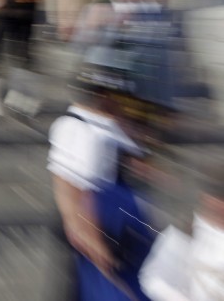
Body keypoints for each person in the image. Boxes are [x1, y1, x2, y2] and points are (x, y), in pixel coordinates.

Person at [48, 57, 156, 301]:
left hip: (114, 224)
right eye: (121, 98)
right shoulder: (79, 131)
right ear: (105, 96)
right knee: (86, 288)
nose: (125, 105)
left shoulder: (106, 126)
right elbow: (68, 187)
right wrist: (88, 236)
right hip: (95, 226)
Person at [140, 165, 224, 300]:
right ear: (206, 198)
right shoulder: (184, 233)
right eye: (218, 198)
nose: (220, 205)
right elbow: (153, 280)